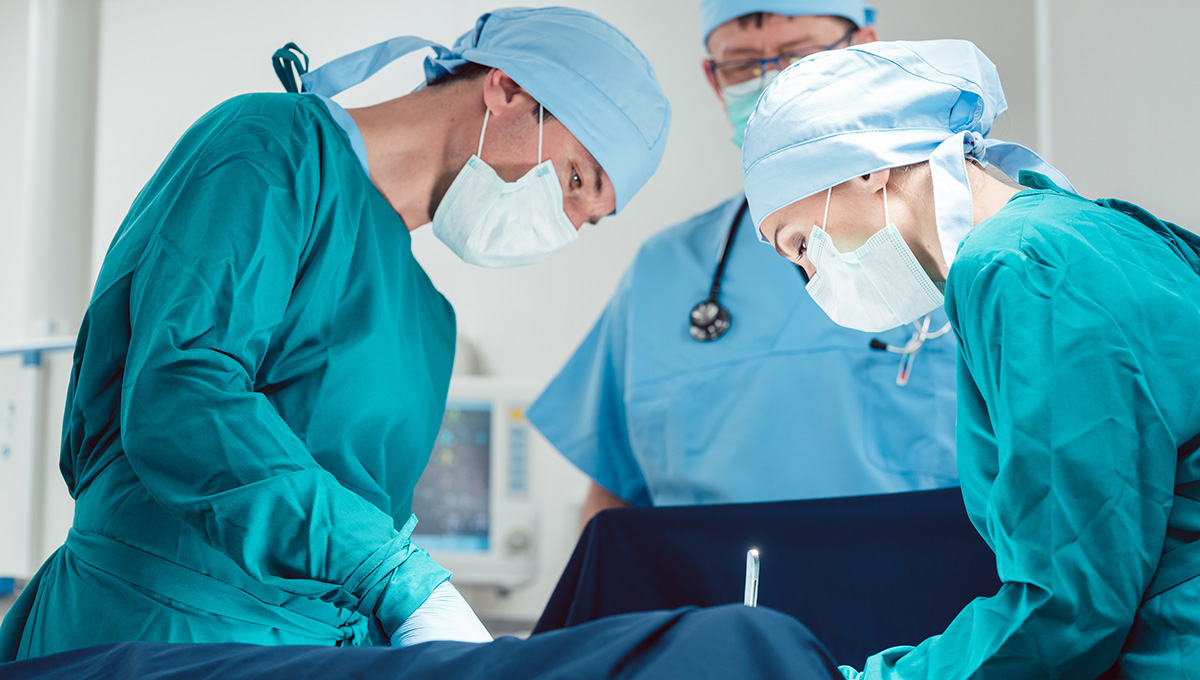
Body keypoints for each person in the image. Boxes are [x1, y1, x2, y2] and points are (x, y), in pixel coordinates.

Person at [0, 7, 670, 660]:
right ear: (509, 89)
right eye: (579, 178)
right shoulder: (269, 149)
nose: (571, 221)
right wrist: (400, 580)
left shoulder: (430, 321)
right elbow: (182, 396)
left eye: (592, 217)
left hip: (313, 655)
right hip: (151, 631)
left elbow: (356, 538)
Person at [742, 38, 1200, 678]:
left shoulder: (1020, 270)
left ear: (867, 169)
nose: (813, 275)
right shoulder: (1097, 231)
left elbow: (1068, 603)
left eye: (799, 244)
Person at [527, 0, 958, 528]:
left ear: (864, 50)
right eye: (741, 64)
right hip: (716, 607)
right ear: (715, 80)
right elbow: (613, 503)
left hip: (928, 606)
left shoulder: (959, 248)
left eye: (799, 54)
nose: (772, 81)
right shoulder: (664, 273)